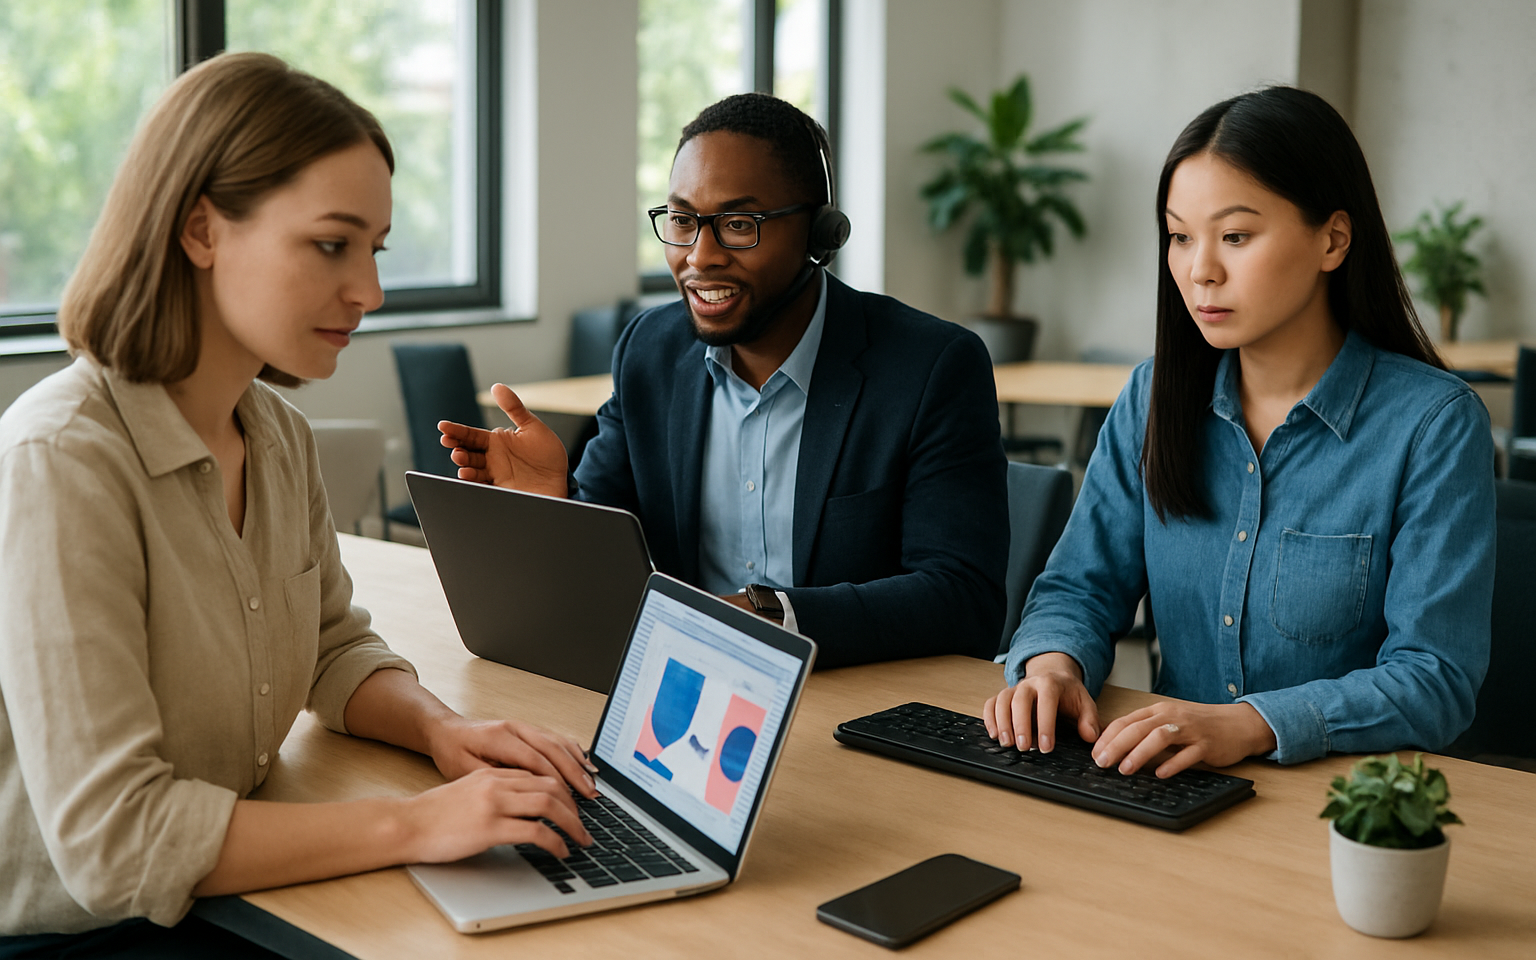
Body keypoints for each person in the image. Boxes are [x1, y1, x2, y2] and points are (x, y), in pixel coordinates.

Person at [0, 53, 598, 955]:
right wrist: (421, 825)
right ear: (201, 230)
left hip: (233, 891)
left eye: (375, 250)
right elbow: (116, 844)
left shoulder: (274, 434)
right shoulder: (61, 462)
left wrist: (448, 731)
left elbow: (331, 645)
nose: (370, 291)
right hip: (82, 933)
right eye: (332, 244)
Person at [983, 86, 1493, 776]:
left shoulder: (1432, 424)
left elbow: (1435, 679)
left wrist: (1253, 724)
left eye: (1235, 236)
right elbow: (1080, 587)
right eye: (1180, 236)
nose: (1201, 271)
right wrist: (1051, 665)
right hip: (1161, 784)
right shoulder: (1153, 397)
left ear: (1332, 239)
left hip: (1340, 806)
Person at [440, 94, 1008, 667]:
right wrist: (553, 508)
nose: (700, 257)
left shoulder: (930, 366)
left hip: (846, 702)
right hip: (684, 692)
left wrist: (768, 617)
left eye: (739, 225)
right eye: (683, 222)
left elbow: (965, 598)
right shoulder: (649, 353)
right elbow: (607, 558)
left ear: (819, 234)